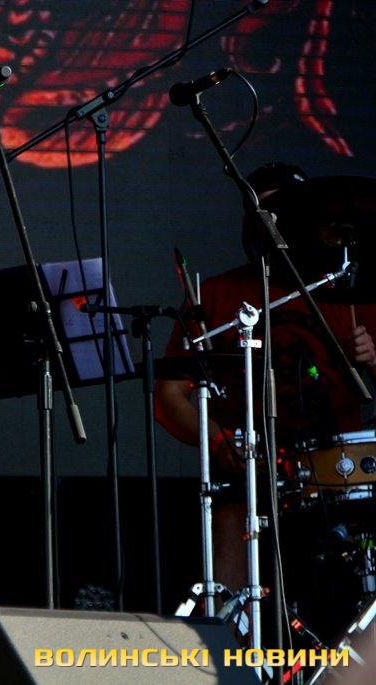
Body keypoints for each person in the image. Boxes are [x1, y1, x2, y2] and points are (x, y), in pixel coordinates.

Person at [155, 162, 376, 641]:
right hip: (250, 475)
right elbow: (171, 394)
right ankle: (234, 654)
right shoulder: (216, 295)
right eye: (264, 212)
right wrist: (218, 441)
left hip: (340, 475)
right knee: (229, 519)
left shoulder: (353, 292)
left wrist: (374, 359)